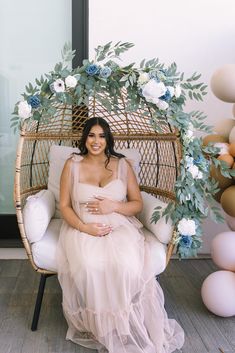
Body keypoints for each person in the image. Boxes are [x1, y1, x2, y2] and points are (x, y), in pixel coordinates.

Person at [56, 117, 184, 353]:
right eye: (92, 135)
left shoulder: (122, 165)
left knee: (128, 265)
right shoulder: (72, 165)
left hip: (119, 225)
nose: (96, 141)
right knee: (89, 265)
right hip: (84, 226)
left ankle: (124, 323)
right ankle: (101, 326)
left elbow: (136, 204)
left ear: (108, 139)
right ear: (84, 137)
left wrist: (113, 206)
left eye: (102, 136)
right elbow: (64, 206)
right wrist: (86, 228)